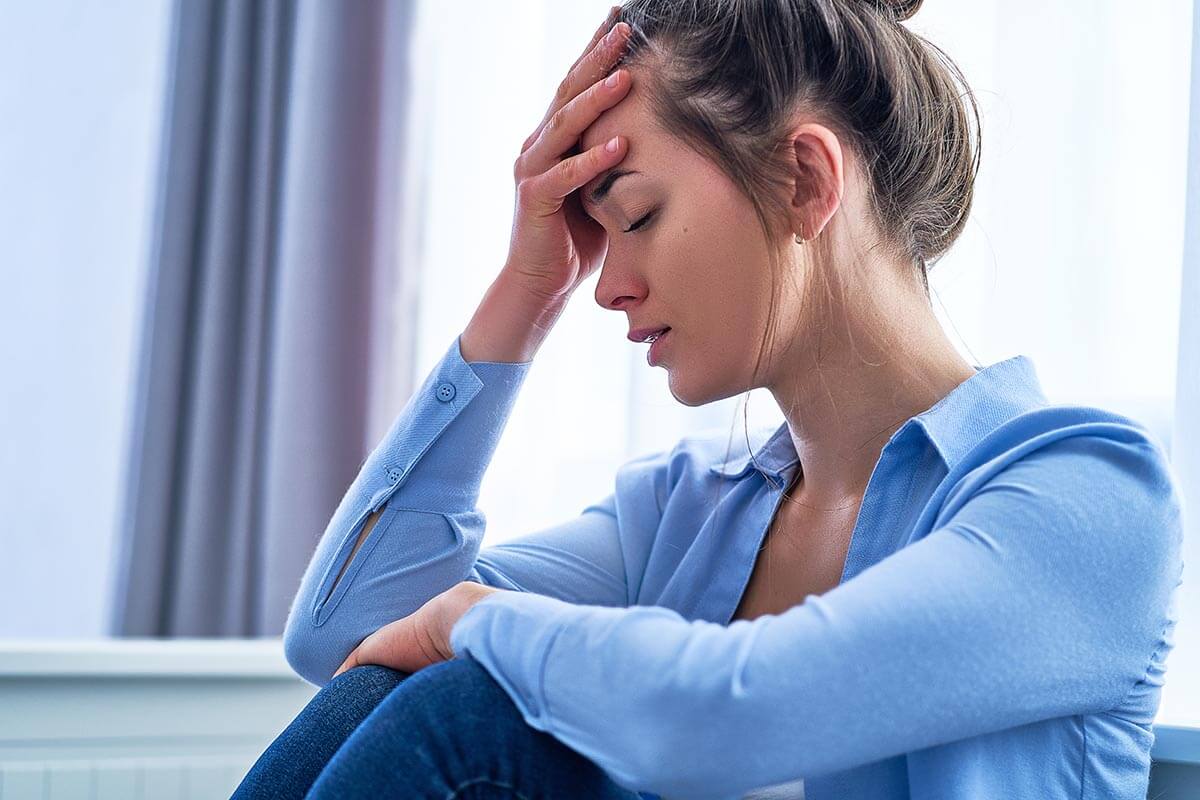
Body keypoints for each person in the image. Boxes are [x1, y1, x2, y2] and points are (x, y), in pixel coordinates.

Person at [232, 1, 1185, 798]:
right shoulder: (686, 512)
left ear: (806, 179)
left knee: (468, 705)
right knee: (392, 691)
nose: (611, 284)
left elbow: (745, 708)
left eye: (639, 217)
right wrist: (528, 293)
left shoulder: (1087, 494)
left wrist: (466, 619)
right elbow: (345, 639)